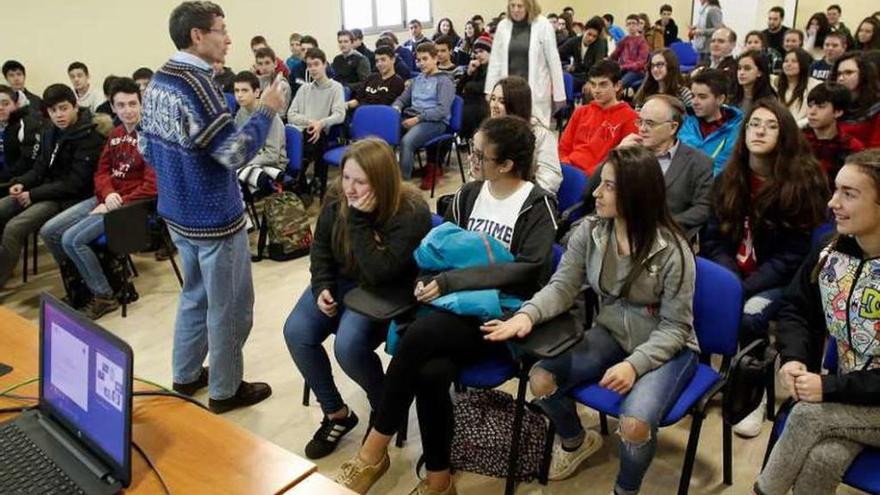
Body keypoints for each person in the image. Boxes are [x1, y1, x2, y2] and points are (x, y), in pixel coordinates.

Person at [335, 116, 558, 495]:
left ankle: (374, 447)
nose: (471, 159)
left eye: (479, 155)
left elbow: (526, 274)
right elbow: (439, 252)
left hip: (501, 314)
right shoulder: (470, 194)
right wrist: (427, 281)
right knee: (431, 372)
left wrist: (449, 282)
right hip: (452, 306)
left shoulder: (537, 206)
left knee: (420, 334)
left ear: (505, 164)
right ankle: (440, 481)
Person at [490, 143, 699, 489]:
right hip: (612, 333)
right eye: (600, 182)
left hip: (667, 349)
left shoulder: (673, 251)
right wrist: (528, 315)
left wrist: (635, 365)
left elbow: (676, 327)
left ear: (637, 195)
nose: (597, 193)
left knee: (634, 424)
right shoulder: (591, 231)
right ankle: (576, 440)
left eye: (609, 186)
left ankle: (625, 488)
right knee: (542, 378)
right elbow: (563, 286)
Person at [138, 1, 288, 413]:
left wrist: (180, 177)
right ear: (197, 36)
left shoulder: (158, 81)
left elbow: (146, 148)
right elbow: (235, 152)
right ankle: (225, 389)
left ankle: (185, 375)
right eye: (222, 29)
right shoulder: (198, 85)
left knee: (194, 296)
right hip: (213, 218)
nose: (229, 38)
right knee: (231, 307)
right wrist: (267, 111)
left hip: (176, 212)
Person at [284, 138, 431, 460]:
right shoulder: (338, 195)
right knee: (296, 332)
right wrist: (322, 284)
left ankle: (385, 410)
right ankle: (337, 414)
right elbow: (321, 248)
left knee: (348, 346)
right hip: (342, 282)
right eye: (346, 177)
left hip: (384, 290)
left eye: (360, 181)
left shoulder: (410, 210)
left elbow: (381, 272)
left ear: (381, 181)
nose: (349, 188)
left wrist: (359, 220)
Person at [753, 149, 880, 495]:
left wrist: (828, 388)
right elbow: (796, 308)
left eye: (849, 194)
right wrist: (795, 357)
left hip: (861, 394)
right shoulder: (830, 249)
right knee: (824, 457)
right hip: (855, 394)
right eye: (835, 189)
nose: (833, 203)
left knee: (807, 416)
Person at [700, 98, 829, 438]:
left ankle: (750, 394)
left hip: (779, 278)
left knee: (750, 315)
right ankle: (696, 375)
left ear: (785, 135)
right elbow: (712, 239)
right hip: (734, 272)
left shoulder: (803, 182)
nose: (760, 131)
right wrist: (729, 278)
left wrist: (744, 286)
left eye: (771, 126)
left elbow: (795, 255)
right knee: (693, 295)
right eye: (755, 124)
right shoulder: (728, 177)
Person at [39, 78, 156, 319]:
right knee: (49, 231)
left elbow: (152, 186)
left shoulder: (152, 137)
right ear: (112, 107)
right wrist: (108, 194)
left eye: (132, 104)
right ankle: (81, 286)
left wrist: (118, 201)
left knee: (72, 239)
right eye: (121, 105)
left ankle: (104, 295)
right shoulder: (114, 134)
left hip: (133, 205)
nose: (128, 110)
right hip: (108, 198)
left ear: (141, 104)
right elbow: (101, 172)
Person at [0, 84, 104, 290]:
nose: (59, 115)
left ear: (75, 107)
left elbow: (75, 184)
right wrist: (21, 183)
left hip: (67, 199)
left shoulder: (89, 137)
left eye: (63, 108)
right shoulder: (50, 132)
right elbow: (39, 169)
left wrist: (34, 194)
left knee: (14, 228)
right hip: (44, 191)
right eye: (53, 110)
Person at [586, 95, 714, 238]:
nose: (642, 129)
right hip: (611, 228)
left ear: (672, 127)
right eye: (640, 122)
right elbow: (590, 190)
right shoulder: (629, 152)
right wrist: (616, 154)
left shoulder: (699, 163)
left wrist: (663, 226)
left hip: (662, 237)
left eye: (650, 124)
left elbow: (703, 208)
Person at [485, 0, 566, 128]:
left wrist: (559, 94)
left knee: (535, 131)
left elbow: (553, 61)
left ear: (529, 6)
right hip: (509, 89)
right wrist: (490, 90)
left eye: (520, 6)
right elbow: (495, 61)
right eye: (512, 6)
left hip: (535, 89)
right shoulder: (503, 26)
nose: (516, 10)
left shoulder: (543, 25)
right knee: (507, 129)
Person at [392, 42, 454, 189]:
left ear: (435, 59)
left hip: (434, 122)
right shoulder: (417, 79)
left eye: (425, 59)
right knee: (385, 135)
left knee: (407, 142)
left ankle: (402, 186)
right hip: (413, 118)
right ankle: (389, 176)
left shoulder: (444, 81)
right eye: (418, 60)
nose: (421, 63)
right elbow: (402, 99)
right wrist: (396, 107)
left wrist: (418, 119)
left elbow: (442, 111)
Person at [559, 60, 638, 176]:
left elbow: (623, 162)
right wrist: (565, 168)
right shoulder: (580, 112)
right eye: (593, 84)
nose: (596, 90)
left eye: (603, 84)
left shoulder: (631, 117)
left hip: (598, 178)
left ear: (617, 86)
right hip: (568, 170)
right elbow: (563, 148)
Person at [287, 47, 346, 197]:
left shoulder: (335, 87)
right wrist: (311, 121)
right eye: (309, 65)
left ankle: (302, 183)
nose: (312, 68)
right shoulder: (304, 89)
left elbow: (340, 115)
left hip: (324, 133)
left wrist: (321, 123)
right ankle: (302, 184)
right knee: (299, 138)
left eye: (316, 64)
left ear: (325, 64)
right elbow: (291, 114)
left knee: (313, 138)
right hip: (305, 131)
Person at [488, 76, 562, 194]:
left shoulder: (541, 135)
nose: (494, 105)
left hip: (526, 201)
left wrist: (521, 197)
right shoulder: (488, 134)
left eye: (502, 101)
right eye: (493, 98)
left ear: (516, 105)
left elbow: (550, 179)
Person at [679, 69, 744, 176]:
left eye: (702, 97)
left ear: (720, 99)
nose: (694, 102)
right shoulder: (684, 121)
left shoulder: (736, 130)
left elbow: (723, 168)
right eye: (693, 96)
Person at [232, 71, 286, 194]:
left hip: (272, 164)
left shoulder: (270, 116)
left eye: (244, 90)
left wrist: (244, 161)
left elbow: (272, 156)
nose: (239, 95)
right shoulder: (241, 112)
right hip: (251, 160)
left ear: (256, 92)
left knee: (233, 177)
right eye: (236, 91)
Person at [803, 82, 865, 182]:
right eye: (810, 106)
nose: (812, 112)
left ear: (838, 112)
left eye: (821, 106)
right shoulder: (797, 141)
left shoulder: (851, 147)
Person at [834, 51, 880, 148]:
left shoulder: (876, 108)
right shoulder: (833, 102)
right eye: (839, 74)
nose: (841, 78)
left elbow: (875, 151)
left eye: (849, 72)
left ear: (864, 74)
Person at [0, 85, 41, 188]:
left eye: (5, 104)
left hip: (19, 183)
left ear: (16, 104)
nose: (0, 108)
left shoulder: (27, 125)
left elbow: (27, 163)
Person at [559, 16, 609, 92]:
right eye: (589, 34)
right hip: (575, 75)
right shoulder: (574, 41)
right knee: (563, 79)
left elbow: (598, 65)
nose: (591, 38)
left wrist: (591, 82)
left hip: (589, 78)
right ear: (584, 31)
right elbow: (559, 53)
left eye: (594, 36)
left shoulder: (600, 44)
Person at [457, 35, 492, 140]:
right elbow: (458, 89)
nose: (478, 55)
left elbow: (484, 87)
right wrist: (468, 73)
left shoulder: (495, 68)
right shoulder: (475, 67)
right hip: (471, 102)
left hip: (484, 104)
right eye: (476, 52)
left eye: (481, 51)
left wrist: (468, 86)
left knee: (471, 109)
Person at [775, 48, 819, 127]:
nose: (789, 64)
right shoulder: (776, 85)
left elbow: (817, 114)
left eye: (794, 61)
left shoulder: (815, 86)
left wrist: (797, 125)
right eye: (786, 61)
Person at [692, 27, 738, 98]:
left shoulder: (735, 66)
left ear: (732, 45)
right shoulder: (703, 62)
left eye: (721, 41)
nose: (715, 44)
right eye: (713, 41)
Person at [609, 15, 650, 90]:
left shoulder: (642, 42)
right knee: (608, 81)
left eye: (633, 23)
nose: (631, 26)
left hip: (637, 72)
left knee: (619, 85)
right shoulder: (624, 40)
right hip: (623, 69)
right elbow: (614, 55)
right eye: (629, 24)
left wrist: (624, 66)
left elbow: (641, 63)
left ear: (638, 26)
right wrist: (607, 61)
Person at [732, 51, 777, 115]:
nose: (741, 73)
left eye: (747, 68)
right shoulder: (731, 97)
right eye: (739, 68)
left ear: (759, 72)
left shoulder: (769, 102)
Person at [255, 47, 292, 111]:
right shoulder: (254, 84)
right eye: (260, 64)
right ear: (256, 66)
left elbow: (281, 112)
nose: (264, 67)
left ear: (275, 64)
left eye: (267, 63)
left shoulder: (282, 85)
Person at [691, 0, 724, 64]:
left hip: (709, 49)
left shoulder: (713, 10)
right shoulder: (704, 10)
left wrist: (701, 32)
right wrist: (695, 27)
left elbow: (718, 29)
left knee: (704, 71)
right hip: (702, 48)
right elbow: (706, 25)